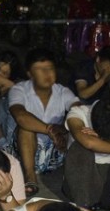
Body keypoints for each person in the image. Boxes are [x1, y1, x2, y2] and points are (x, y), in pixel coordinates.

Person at [8, 48, 78, 195]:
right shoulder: (19, 89)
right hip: (25, 150)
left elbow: (79, 110)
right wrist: (50, 129)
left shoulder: (62, 91)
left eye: (50, 68)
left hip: (56, 149)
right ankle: (30, 175)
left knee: (77, 123)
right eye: (40, 69)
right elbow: (19, 115)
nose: (47, 74)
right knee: (25, 127)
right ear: (30, 74)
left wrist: (64, 128)